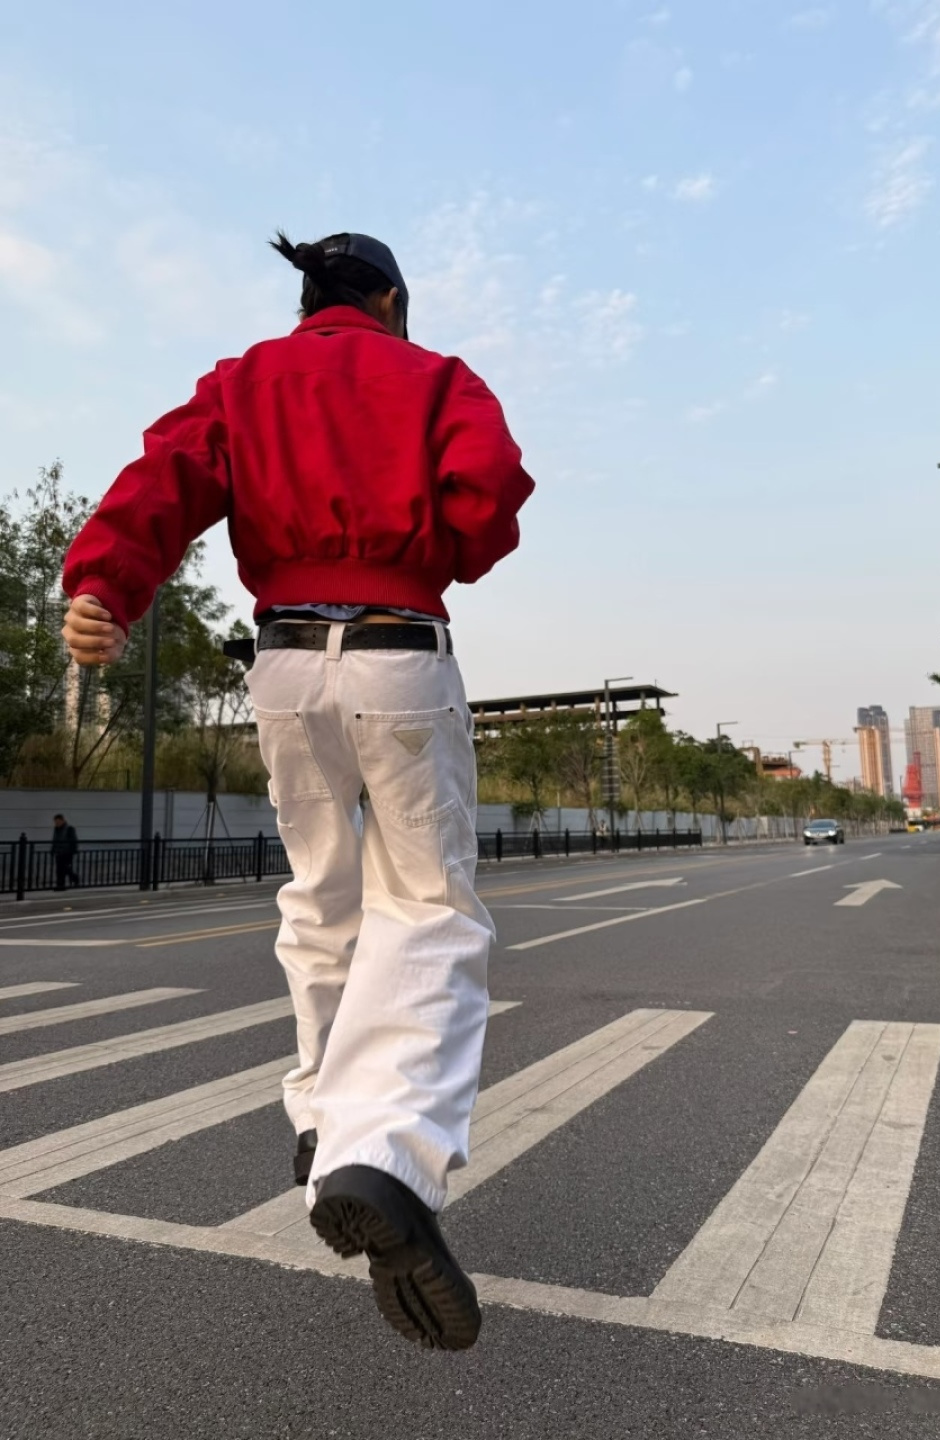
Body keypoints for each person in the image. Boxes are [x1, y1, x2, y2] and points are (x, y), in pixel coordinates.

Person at [61, 230, 534, 1350]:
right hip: (397, 649)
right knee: (428, 907)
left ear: (310, 298)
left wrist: (103, 587)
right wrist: (437, 547)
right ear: (391, 299)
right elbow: (487, 500)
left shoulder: (244, 380)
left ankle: (323, 1120)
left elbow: (163, 479)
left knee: (322, 899)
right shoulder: (437, 377)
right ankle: (386, 1156)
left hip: (281, 665)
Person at [50, 814, 79, 891]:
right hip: (59, 852)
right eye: (55, 822)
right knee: (59, 870)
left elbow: (74, 840)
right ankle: (60, 885)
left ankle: (74, 878)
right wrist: (53, 850)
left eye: (58, 822)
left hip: (67, 852)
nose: (57, 823)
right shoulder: (56, 829)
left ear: (63, 821)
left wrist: (73, 851)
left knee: (65, 868)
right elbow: (54, 840)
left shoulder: (69, 828)